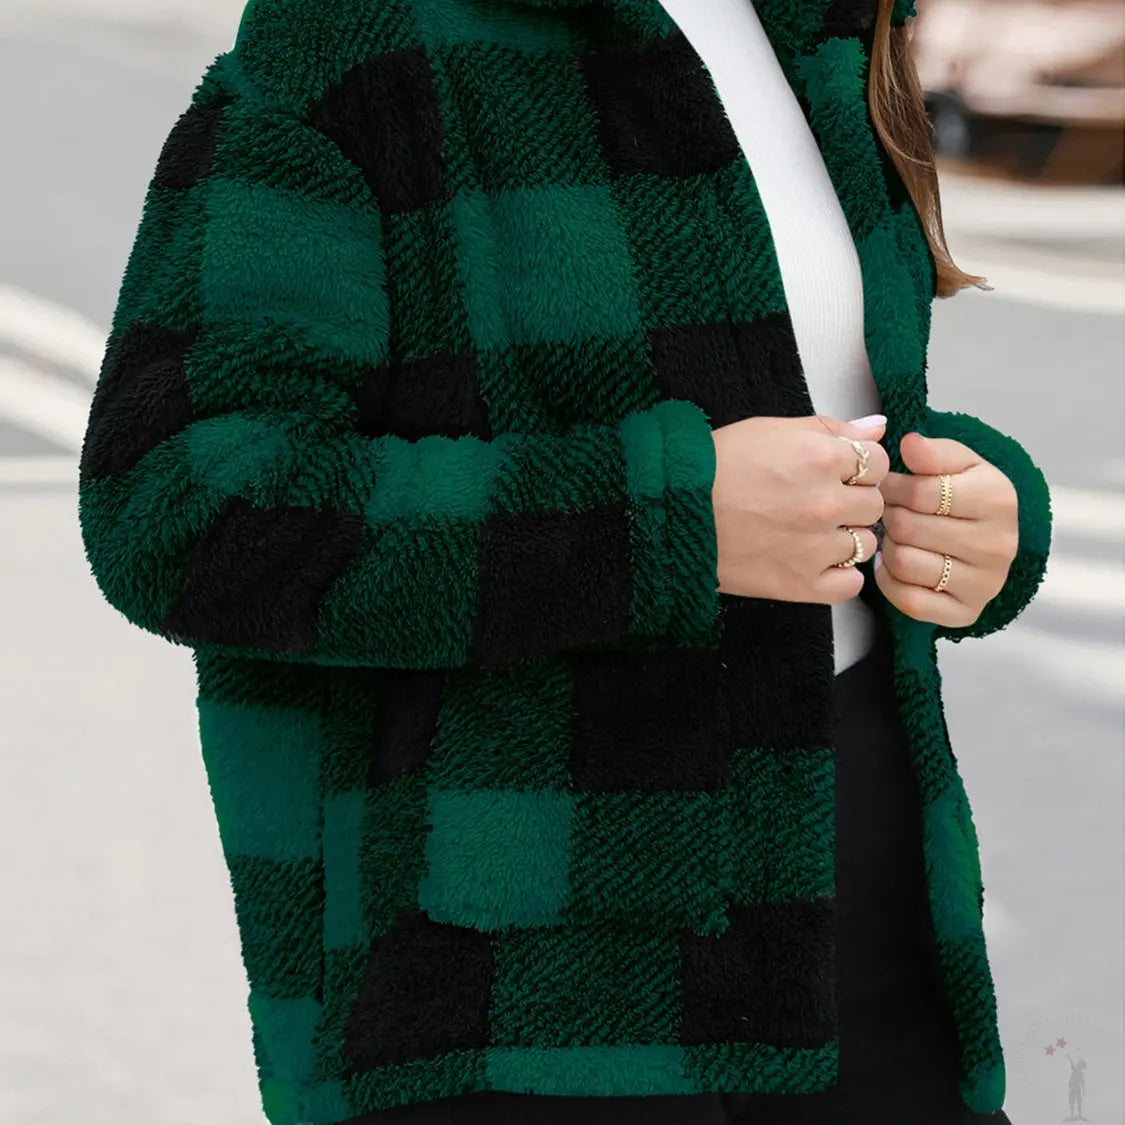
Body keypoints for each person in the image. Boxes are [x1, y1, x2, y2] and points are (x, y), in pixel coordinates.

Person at [76, 0, 1052, 1122]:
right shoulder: (354, 31)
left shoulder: (820, 20)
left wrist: (969, 512)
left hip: (856, 869)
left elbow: (822, 405)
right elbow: (183, 504)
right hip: (526, 948)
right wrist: (660, 518)